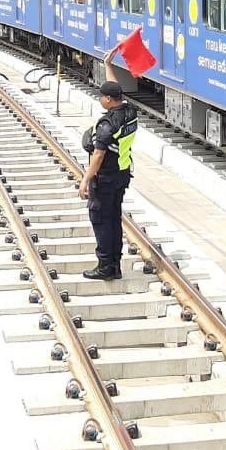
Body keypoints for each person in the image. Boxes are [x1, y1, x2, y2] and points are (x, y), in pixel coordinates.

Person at [79, 50, 138, 280]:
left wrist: (85, 179)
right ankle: (115, 265)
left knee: (101, 220)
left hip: (105, 179)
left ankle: (105, 267)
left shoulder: (107, 125)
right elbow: (116, 88)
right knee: (114, 219)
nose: (100, 99)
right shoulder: (129, 113)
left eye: (102, 96)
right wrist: (108, 65)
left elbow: (99, 155)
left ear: (108, 100)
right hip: (122, 175)